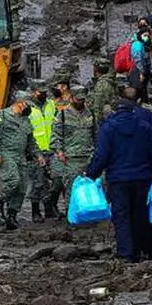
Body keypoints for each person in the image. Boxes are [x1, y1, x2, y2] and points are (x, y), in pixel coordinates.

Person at [85, 86, 152, 263]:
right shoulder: (145, 126)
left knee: (121, 216)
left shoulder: (108, 127)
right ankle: (143, 250)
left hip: (118, 180)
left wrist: (91, 173)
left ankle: (126, 253)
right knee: (141, 215)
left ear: (115, 109)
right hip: (143, 178)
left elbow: (101, 154)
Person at [0, 91, 44, 231]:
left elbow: (31, 142)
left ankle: (12, 215)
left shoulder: (26, 119)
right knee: (13, 180)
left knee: (22, 187)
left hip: (21, 156)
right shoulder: (3, 116)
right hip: (7, 154)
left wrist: (38, 155)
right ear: (20, 103)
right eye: (27, 104)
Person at [51, 85, 96, 217]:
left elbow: (96, 134)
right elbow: (56, 135)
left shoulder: (90, 113)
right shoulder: (63, 114)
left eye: (83, 100)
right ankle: (72, 216)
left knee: (90, 188)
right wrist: (59, 152)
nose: (81, 102)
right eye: (78, 99)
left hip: (88, 156)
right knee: (71, 188)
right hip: (71, 158)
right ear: (71, 98)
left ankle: (89, 214)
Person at [26, 82, 58, 222]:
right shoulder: (27, 108)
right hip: (35, 151)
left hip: (51, 149)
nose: (44, 95)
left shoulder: (51, 105)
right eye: (41, 92)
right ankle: (35, 211)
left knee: (57, 179)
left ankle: (50, 207)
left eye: (45, 92)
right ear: (33, 92)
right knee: (38, 182)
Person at [90, 57, 118, 124]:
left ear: (96, 69)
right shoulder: (112, 79)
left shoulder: (101, 84)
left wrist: (95, 122)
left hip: (104, 118)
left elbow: (97, 105)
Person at [128, 26, 152, 104]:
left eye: (148, 36)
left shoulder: (139, 44)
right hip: (136, 70)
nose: (147, 38)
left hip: (136, 69)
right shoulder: (137, 45)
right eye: (145, 36)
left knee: (140, 89)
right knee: (138, 89)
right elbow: (137, 60)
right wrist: (141, 73)